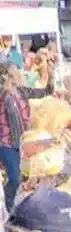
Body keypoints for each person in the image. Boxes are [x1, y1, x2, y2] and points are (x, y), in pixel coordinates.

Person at [0, 62, 54, 210]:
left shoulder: (22, 91)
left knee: (29, 177)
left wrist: (50, 73)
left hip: (24, 142)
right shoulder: (2, 94)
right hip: (7, 144)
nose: (19, 73)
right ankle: (8, 205)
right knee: (15, 177)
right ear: (5, 75)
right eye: (15, 71)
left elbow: (46, 91)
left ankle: (24, 206)